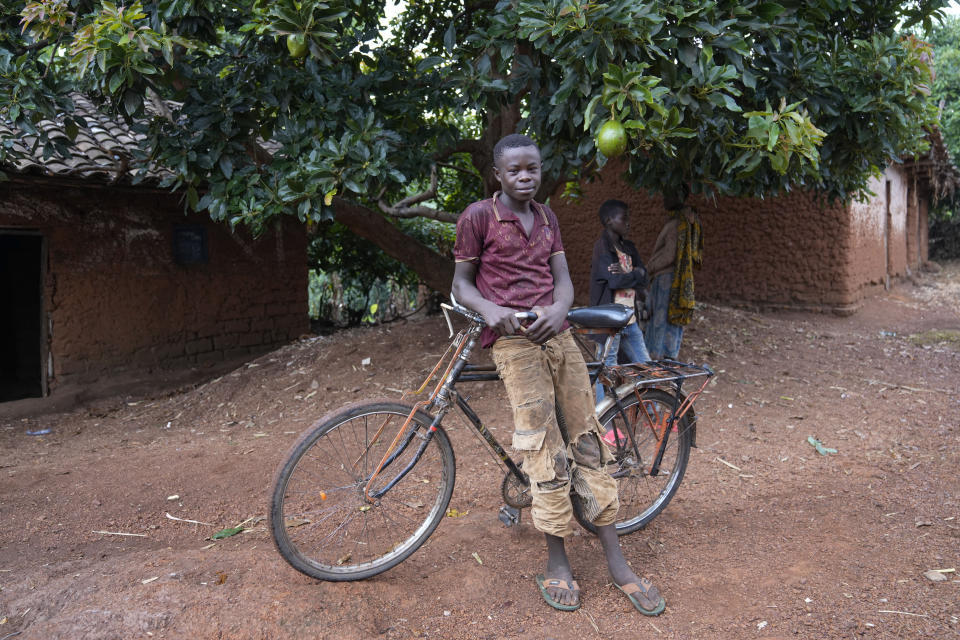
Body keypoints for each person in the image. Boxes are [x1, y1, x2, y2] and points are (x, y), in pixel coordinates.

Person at [451, 133, 665, 616]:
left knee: (587, 438)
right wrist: (491, 309)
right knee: (542, 445)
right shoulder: (478, 217)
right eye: (515, 171)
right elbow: (461, 284)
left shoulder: (547, 217)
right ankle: (557, 560)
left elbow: (563, 279)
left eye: (533, 169)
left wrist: (560, 308)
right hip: (513, 344)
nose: (525, 177)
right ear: (498, 174)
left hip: (559, 335)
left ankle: (617, 563)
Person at [589, 199, 650, 403]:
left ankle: (653, 410)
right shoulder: (602, 247)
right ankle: (602, 420)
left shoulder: (629, 247)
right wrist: (635, 273)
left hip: (630, 319)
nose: (628, 222)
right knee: (606, 369)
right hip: (610, 322)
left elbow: (646, 276)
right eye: (624, 218)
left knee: (644, 365)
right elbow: (615, 281)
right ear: (608, 220)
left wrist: (629, 272)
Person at [644, 188, 702, 360]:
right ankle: (668, 357)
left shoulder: (676, 224)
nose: (664, 198)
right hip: (675, 278)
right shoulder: (687, 221)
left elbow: (669, 255)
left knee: (660, 319)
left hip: (665, 279)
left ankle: (656, 359)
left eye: (669, 194)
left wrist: (649, 268)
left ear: (680, 196)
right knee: (671, 319)